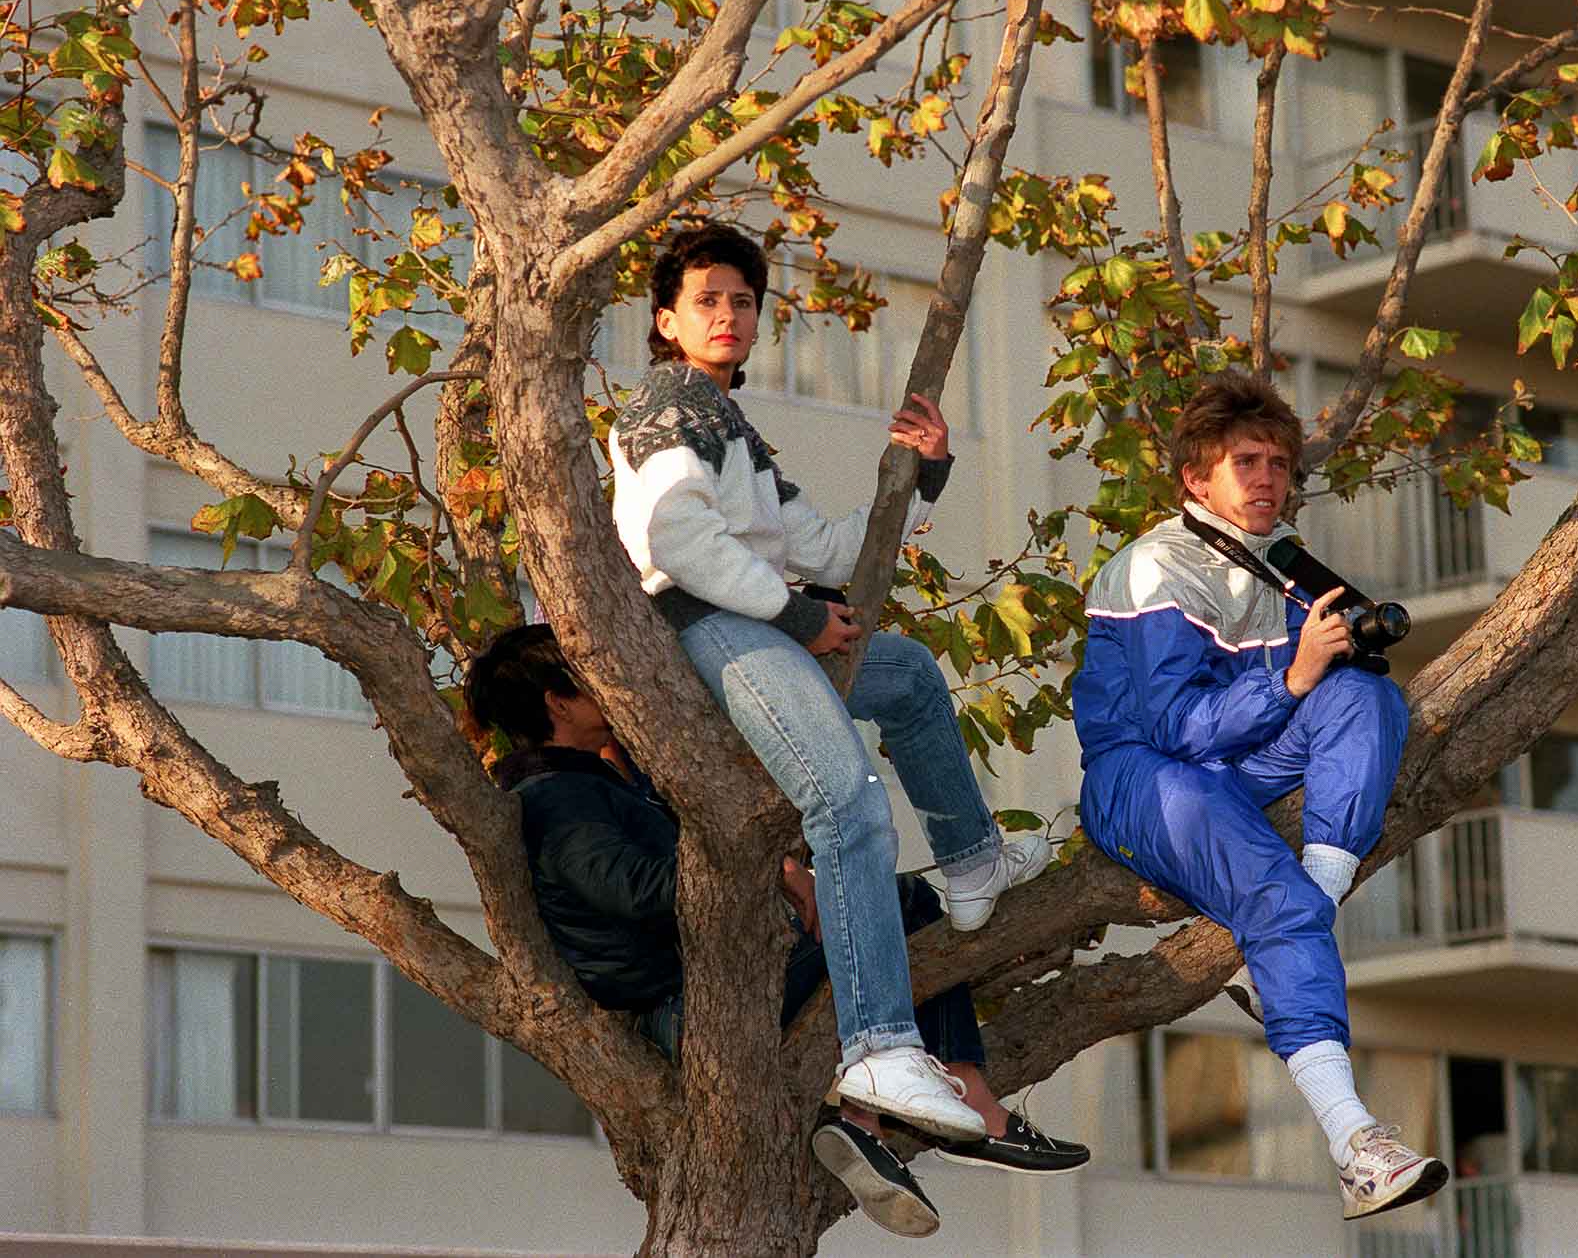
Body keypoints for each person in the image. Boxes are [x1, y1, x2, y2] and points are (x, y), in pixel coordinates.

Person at [605, 224, 1059, 1181]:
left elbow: (829, 546)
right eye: (706, 300)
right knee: (845, 803)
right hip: (702, 626)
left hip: (757, 620)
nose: (727, 316)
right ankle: (882, 1048)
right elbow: (676, 539)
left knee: (909, 676)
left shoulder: (730, 424)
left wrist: (922, 473)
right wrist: (797, 617)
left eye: (741, 300)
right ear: (665, 320)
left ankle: (973, 863)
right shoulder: (667, 404)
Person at [465, 626, 1089, 1240]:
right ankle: (956, 1098)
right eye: (590, 676)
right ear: (558, 701)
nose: (614, 683)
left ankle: (864, 1123)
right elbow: (635, 890)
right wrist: (782, 873)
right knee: (900, 904)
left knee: (890, 909)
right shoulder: (556, 797)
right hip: (681, 1008)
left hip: (700, 983)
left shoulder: (597, 777)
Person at [1072, 372, 1447, 1221]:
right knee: (1273, 885)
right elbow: (1173, 728)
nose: (1270, 477)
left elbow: (1323, 694)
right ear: (1195, 480)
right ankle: (1355, 1143)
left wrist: (1325, 663)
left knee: (1368, 697)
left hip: (1234, 757)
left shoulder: (1280, 561)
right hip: (1141, 776)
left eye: (1280, 462)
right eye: (1247, 461)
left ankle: (1303, 904)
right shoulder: (1154, 566)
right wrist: (1295, 673)